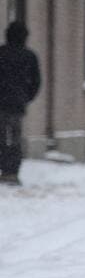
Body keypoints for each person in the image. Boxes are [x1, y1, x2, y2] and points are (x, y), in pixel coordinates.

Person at [0, 21, 42, 186]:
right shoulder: (29, 56)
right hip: (17, 104)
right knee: (15, 138)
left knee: (2, 136)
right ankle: (12, 171)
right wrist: (26, 97)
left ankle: (4, 167)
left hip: (1, 102)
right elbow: (36, 82)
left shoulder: (1, 53)